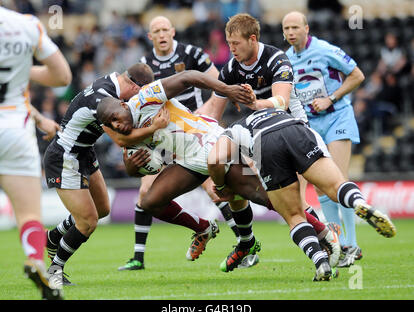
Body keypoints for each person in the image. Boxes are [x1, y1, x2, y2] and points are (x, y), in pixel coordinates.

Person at [197, 13, 341, 267]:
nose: (230, 49)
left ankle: (328, 239)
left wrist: (253, 103)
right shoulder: (230, 68)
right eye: (228, 43)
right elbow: (213, 112)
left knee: (295, 203)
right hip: (260, 136)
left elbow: (281, 103)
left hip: (292, 131)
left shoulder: (276, 59)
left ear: (252, 39)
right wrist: (196, 129)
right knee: (234, 180)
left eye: (235, 44)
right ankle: (247, 243)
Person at [118, 16, 255, 272]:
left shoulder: (191, 53)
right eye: (155, 31)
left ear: (172, 31)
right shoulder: (144, 66)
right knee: (146, 192)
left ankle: (243, 244)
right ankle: (138, 256)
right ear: (150, 36)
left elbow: (217, 79)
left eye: (164, 29)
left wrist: (210, 108)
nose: (161, 34)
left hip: (193, 129)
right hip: (159, 133)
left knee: (214, 188)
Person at [207, 107, 396, 280]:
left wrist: (221, 186)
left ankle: (321, 262)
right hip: (297, 129)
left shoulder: (234, 128)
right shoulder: (278, 111)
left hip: (265, 143)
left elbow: (215, 160)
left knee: (294, 215)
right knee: (337, 185)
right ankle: (358, 202)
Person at [96, 68, 254, 266]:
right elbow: (132, 165)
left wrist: (226, 90)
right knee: (148, 200)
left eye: (115, 118)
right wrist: (130, 166)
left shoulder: (146, 97)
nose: (116, 125)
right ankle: (203, 229)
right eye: (111, 124)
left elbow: (191, 76)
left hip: (205, 137)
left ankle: (248, 243)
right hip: (183, 157)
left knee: (236, 192)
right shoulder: (129, 131)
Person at [43, 63, 169, 286]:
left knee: (102, 209)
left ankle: (52, 238)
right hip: (65, 157)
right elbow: (121, 139)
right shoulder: (103, 99)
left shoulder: (110, 87)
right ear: (134, 85)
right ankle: (54, 270)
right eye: (141, 93)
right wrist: (153, 128)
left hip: (84, 152)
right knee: (88, 221)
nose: (139, 99)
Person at [283, 11, 366, 267]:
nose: (290, 32)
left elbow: (357, 75)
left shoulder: (325, 50)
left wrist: (331, 98)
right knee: (321, 187)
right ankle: (339, 243)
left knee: (338, 182)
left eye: (295, 27)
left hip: (337, 118)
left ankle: (351, 245)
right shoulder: (286, 59)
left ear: (307, 28)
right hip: (312, 125)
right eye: (286, 28)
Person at [0, 7, 72, 299]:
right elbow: (62, 76)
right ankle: (35, 259)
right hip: (15, 127)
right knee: (28, 211)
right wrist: (22, 72)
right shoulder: (27, 25)